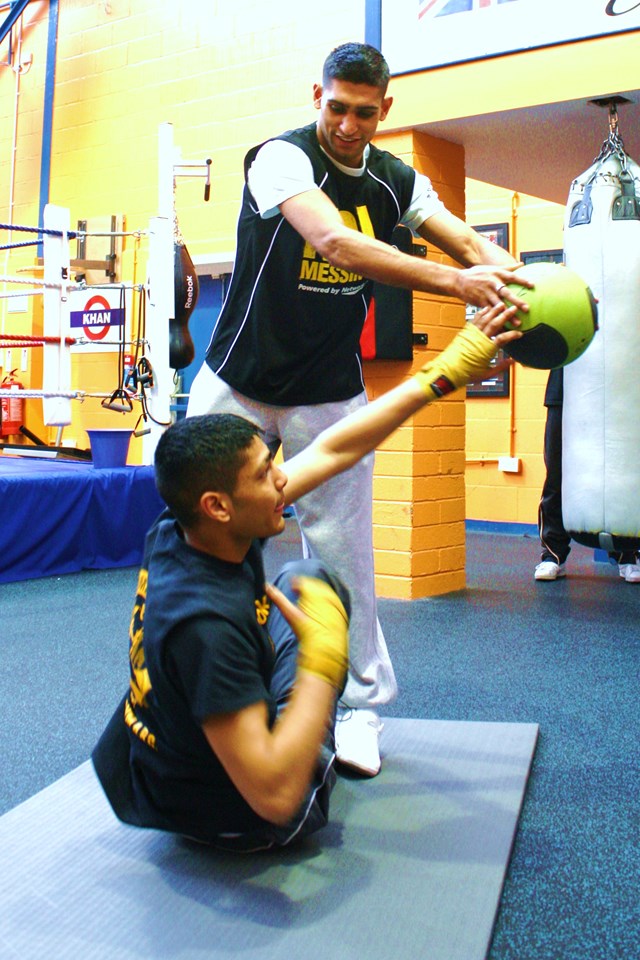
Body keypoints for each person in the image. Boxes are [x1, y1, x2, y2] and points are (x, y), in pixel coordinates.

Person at [187, 41, 531, 777]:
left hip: (327, 389)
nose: (347, 125)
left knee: (343, 555)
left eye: (363, 113)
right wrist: (461, 285)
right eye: (336, 108)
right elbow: (336, 243)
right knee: (204, 540)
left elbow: (465, 238)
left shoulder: (394, 179)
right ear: (318, 96)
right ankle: (214, 690)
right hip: (236, 383)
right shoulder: (280, 159)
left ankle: (360, 710)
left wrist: (517, 279)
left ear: (385, 110)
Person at [92, 302, 521, 850]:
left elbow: (336, 447)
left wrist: (445, 374)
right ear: (219, 504)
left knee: (303, 580)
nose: (282, 478)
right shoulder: (207, 624)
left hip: (143, 771)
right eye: (265, 473)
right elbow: (274, 797)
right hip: (236, 812)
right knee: (321, 610)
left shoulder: (183, 527)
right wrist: (323, 665)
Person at [535, 368, 640, 583]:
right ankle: (552, 556)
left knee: (618, 472)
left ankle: (626, 552)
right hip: (563, 395)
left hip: (616, 391)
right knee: (557, 473)